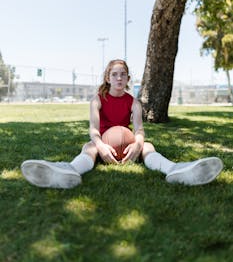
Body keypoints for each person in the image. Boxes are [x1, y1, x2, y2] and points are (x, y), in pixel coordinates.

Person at [21, 59, 223, 189]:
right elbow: (93, 129)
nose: (119, 77)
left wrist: (137, 144)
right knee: (89, 146)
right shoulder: (97, 99)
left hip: (127, 148)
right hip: (103, 148)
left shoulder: (133, 102)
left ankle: (175, 170)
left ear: (127, 78)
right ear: (108, 78)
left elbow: (139, 129)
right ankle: (68, 171)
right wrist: (101, 145)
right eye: (114, 74)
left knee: (148, 145)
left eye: (122, 74)